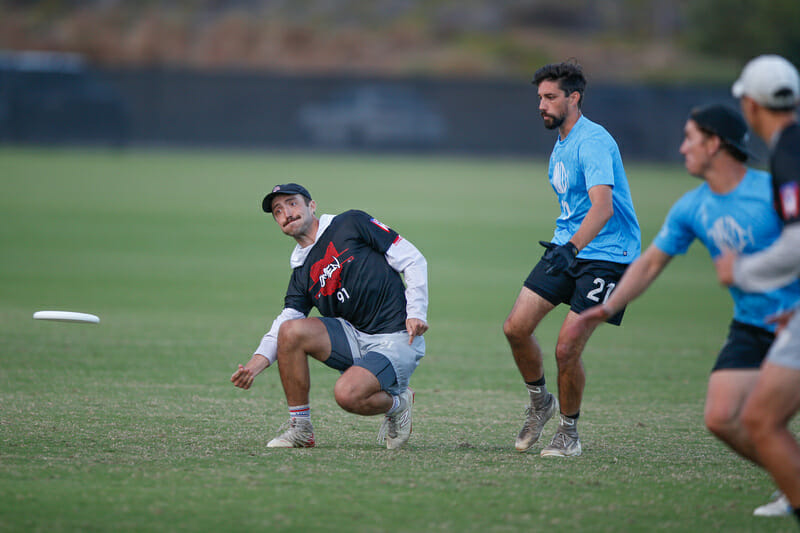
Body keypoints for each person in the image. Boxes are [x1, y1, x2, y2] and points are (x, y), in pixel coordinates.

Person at [570, 103, 800, 515]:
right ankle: (793, 481)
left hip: (794, 323)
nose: (682, 148)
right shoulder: (692, 207)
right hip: (751, 325)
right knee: (721, 418)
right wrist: (608, 307)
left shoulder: (771, 191)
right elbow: (652, 263)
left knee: (765, 420)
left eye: (690, 138)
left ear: (714, 144)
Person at [503, 60, 641, 457]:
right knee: (516, 327)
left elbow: (602, 208)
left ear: (573, 97)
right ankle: (539, 402)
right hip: (569, 247)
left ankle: (568, 432)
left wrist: (572, 249)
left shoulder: (593, 141)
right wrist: (568, 247)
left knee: (567, 349)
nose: (541, 105)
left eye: (550, 97)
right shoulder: (562, 141)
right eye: (540, 98)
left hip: (607, 256)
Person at [231, 183, 429, 450]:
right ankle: (300, 429)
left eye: (292, 203)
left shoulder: (351, 223)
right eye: (278, 211)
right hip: (354, 338)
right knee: (290, 331)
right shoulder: (301, 272)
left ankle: (398, 403)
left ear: (312, 206)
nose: (286, 213)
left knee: (347, 395)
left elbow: (412, 259)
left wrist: (416, 311)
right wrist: (256, 364)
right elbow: (282, 325)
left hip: (396, 337)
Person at [714, 54, 800, 522]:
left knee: (760, 421)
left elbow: (797, 242)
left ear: (750, 105)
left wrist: (743, 272)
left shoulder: (788, 152)